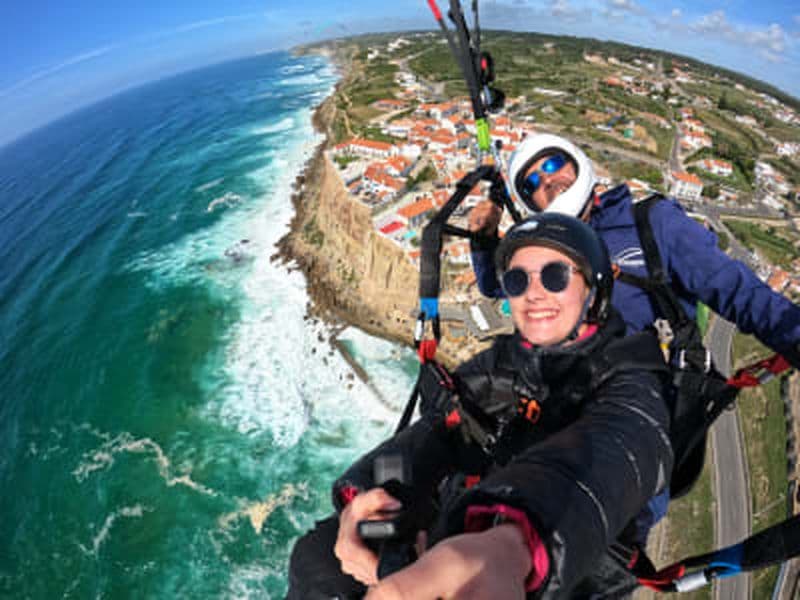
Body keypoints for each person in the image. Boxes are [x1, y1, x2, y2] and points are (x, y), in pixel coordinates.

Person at [287, 213, 673, 599]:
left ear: (594, 287)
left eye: (555, 276)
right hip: (478, 519)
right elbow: (438, 428)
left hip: (568, 558)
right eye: (518, 280)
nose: (534, 293)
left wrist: (508, 547)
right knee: (317, 561)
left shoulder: (631, 377)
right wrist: (371, 503)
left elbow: (622, 448)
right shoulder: (507, 361)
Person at [469, 132, 800, 536]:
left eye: (553, 165)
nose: (548, 181)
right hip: (561, 396)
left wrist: (794, 335)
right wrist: (483, 241)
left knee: (600, 522)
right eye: (533, 183)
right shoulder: (546, 246)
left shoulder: (651, 224)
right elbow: (501, 285)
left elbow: (737, 292)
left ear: (576, 161)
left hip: (642, 402)